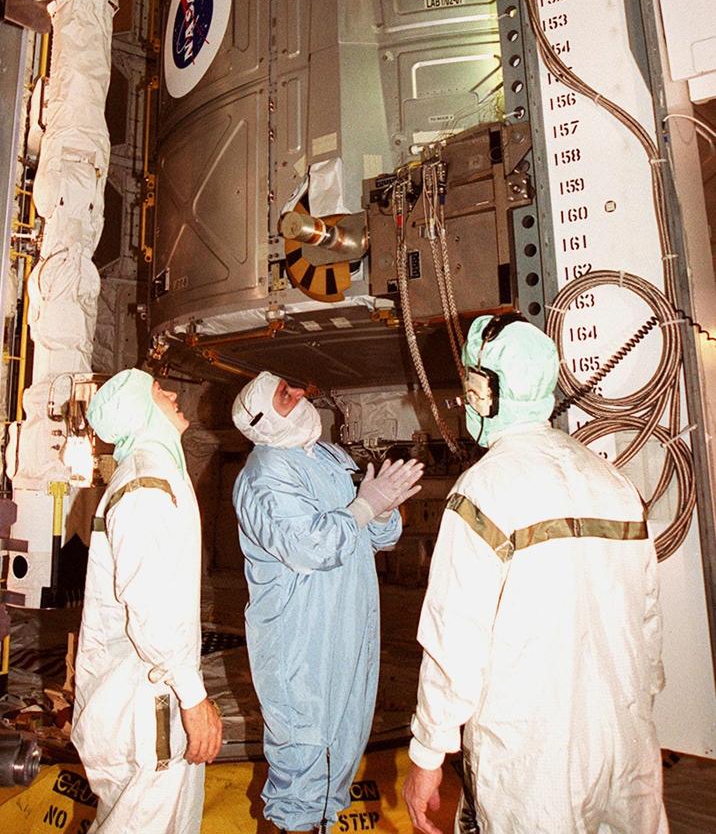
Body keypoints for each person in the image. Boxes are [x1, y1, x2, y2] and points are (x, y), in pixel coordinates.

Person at [403, 314, 668, 834]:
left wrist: (428, 753)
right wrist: (637, 704)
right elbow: (648, 620)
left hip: (533, 756)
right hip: (626, 737)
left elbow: (454, 641)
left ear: (486, 392)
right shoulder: (613, 483)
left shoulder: (483, 490)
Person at [232, 370, 424, 834]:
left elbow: (371, 538)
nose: (301, 393)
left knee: (340, 754)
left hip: (349, 631)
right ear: (263, 418)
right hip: (302, 644)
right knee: (303, 758)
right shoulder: (264, 474)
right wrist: (363, 507)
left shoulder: (326, 457)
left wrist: (382, 510)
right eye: (285, 394)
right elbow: (309, 547)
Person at [72, 368, 222, 833]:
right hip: (145, 707)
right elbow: (151, 609)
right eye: (158, 390)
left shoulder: (156, 474)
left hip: (149, 697)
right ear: (139, 410)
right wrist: (193, 699)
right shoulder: (145, 485)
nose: (173, 393)